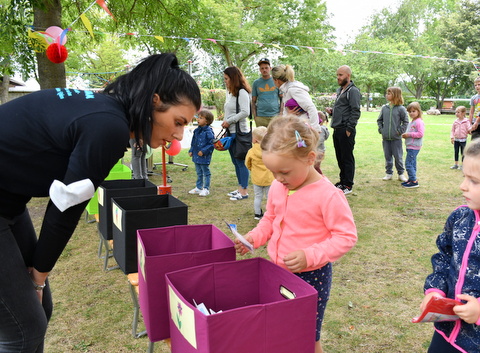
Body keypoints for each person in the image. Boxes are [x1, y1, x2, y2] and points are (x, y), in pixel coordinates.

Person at [0, 53, 201, 352]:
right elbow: (66, 208)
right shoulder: (108, 126)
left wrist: (39, 277)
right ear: (154, 102)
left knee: (39, 310)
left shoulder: (104, 110)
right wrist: (39, 278)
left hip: (9, 204)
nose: (179, 135)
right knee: (25, 328)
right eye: (178, 121)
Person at [235, 116, 357, 353]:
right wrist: (253, 238)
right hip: (278, 273)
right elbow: (270, 219)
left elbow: (346, 236)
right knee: (280, 330)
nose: (278, 179)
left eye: (284, 172)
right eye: (273, 172)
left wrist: (309, 255)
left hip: (312, 278)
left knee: (307, 338)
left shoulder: (328, 195)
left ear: (310, 158)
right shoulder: (280, 188)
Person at [420, 139, 480, 353]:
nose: (462, 185)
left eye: (474, 181)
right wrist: (435, 290)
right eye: (464, 176)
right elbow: (444, 257)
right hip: (447, 332)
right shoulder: (460, 217)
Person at [325, 65, 361, 195]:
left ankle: (348, 184)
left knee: (347, 157)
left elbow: (355, 111)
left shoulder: (353, 91)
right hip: (337, 128)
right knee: (340, 157)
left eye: (341, 75)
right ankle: (342, 181)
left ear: (348, 76)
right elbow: (343, 110)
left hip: (346, 130)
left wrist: (349, 128)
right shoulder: (340, 90)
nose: (338, 78)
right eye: (337, 75)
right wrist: (332, 112)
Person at [222, 66, 252, 201]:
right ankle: (240, 187)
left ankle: (244, 191)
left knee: (241, 162)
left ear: (233, 78)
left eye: (227, 79)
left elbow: (245, 112)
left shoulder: (242, 93)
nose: (225, 81)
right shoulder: (230, 93)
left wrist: (229, 121)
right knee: (235, 161)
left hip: (240, 133)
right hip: (230, 132)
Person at [271, 64, 320, 132]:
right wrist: (288, 115)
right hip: (295, 127)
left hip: (303, 128)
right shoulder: (286, 90)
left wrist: (315, 129)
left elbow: (311, 107)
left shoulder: (293, 89)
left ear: (276, 80)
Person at [376, 87, 409, 182]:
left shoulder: (401, 109)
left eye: (389, 93)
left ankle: (401, 174)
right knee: (387, 157)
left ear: (395, 95)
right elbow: (379, 120)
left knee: (398, 157)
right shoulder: (384, 108)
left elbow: (405, 122)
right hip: (386, 138)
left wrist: (399, 131)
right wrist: (382, 130)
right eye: (387, 93)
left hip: (396, 139)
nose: (387, 95)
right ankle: (389, 173)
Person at [245, 126, 274, 220]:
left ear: (255, 140)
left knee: (258, 196)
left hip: (257, 178)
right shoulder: (270, 150)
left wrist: (252, 169)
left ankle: (257, 214)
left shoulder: (251, 151)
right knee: (270, 197)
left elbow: (247, 163)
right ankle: (271, 212)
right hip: (269, 178)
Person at [188, 109, 215, 197]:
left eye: (201, 118)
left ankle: (206, 188)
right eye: (198, 117)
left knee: (205, 172)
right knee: (199, 172)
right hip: (196, 155)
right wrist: (191, 150)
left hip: (204, 156)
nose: (198, 119)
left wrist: (204, 151)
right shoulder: (196, 131)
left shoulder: (209, 132)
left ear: (207, 121)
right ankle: (198, 187)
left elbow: (211, 144)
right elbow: (193, 142)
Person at [401, 102, 425, 188]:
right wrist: (405, 136)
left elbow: (420, 134)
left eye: (413, 111)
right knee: (412, 163)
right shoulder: (412, 122)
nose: (411, 113)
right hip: (410, 146)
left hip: (414, 146)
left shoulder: (418, 122)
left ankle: (414, 181)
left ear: (418, 111)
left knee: (408, 164)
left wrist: (409, 135)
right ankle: (412, 179)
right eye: (409, 111)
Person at [251, 58, 281, 127]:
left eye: (266, 68)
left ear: (270, 68)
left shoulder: (276, 80)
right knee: (261, 137)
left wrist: (281, 114)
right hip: (260, 117)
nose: (264, 70)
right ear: (259, 70)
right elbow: (253, 101)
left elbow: (282, 99)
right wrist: (255, 116)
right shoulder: (256, 83)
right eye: (262, 68)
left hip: (275, 116)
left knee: (275, 137)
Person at [450, 106, 471, 170]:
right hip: (456, 140)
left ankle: (463, 165)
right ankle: (456, 164)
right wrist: (452, 137)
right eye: (456, 112)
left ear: (463, 113)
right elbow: (452, 130)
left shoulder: (466, 121)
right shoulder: (455, 121)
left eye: (458, 112)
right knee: (456, 152)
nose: (456, 113)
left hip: (463, 140)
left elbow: (469, 128)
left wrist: (471, 130)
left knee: (463, 153)